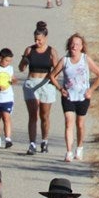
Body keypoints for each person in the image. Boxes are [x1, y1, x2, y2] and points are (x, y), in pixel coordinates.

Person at [51, 32, 99, 162]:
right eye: (72, 44)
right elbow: (52, 76)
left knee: (80, 124)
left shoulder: (85, 59)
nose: (74, 47)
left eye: (77, 45)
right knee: (68, 122)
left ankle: (79, 148)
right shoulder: (64, 61)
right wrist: (60, 88)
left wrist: (91, 90)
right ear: (69, 46)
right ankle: (69, 151)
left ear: (82, 47)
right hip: (68, 96)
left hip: (83, 96)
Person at [19, 20, 61, 154]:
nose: (37, 42)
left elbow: (57, 69)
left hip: (46, 84)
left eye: (39, 40)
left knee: (44, 115)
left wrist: (53, 78)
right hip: (31, 82)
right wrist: (24, 60)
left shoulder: (51, 51)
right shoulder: (29, 49)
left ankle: (44, 140)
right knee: (33, 115)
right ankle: (32, 144)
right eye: (35, 40)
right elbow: (21, 68)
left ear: (45, 38)